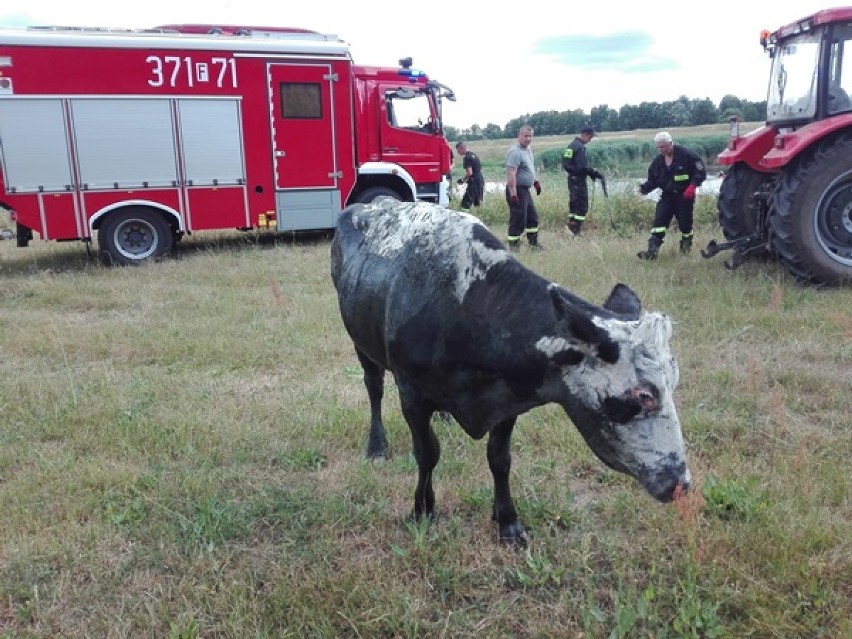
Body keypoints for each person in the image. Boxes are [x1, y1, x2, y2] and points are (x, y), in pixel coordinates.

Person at [636, 131, 706, 260]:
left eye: (663, 147)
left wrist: (693, 186)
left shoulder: (687, 155)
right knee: (659, 223)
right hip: (667, 197)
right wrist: (644, 189)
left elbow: (700, 172)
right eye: (658, 147)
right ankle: (651, 253)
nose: (661, 150)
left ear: (670, 143)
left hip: (684, 197)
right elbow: (653, 180)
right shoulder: (658, 162)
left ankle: (685, 250)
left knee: (685, 226)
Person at [505, 124, 542, 251]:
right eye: (525, 136)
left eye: (530, 136)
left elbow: (530, 168)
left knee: (532, 218)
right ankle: (514, 247)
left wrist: (535, 181)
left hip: (525, 190)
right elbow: (511, 174)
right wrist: (513, 194)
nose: (528, 139)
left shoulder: (528, 149)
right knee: (518, 220)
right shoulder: (515, 152)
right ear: (519, 136)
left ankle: (533, 244)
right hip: (517, 190)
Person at [561, 125, 604, 235]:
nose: (590, 140)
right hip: (578, 181)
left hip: (571, 180)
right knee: (582, 207)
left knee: (574, 205)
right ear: (585, 135)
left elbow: (565, 164)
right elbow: (582, 167)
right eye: (590, 137)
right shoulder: (580, 148)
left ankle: (571, 228)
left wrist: (575, 173)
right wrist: (593, 173)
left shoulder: (571, 146)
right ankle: (576, 231)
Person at [455, 141, 485, 209]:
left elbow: (469, 173)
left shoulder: (467, 158)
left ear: (462, 148)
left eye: (458, 151)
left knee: (465, 204)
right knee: (478, 202)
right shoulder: (473, 155)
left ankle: (464, 218)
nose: (458, 153)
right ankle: (479, 215)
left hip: (473, 181)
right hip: (480, 180)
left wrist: (463, 180)